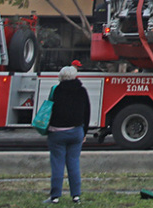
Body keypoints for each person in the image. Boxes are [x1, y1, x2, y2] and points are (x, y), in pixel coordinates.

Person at [45, 65, 91, 204]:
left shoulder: (56, 90)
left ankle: (55, 196)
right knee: (74, 163)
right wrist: (84, 132)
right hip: (76, 132)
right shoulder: (82, 91)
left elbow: (49, 110)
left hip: (57, 133)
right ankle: (76, 196)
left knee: (57, 164)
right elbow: (87, 113)